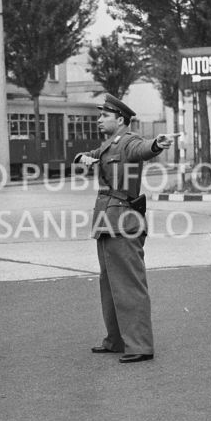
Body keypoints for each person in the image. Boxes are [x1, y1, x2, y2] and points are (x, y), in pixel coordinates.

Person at [73, 94, 178, 363]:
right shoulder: (108, 145)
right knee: (109, 285)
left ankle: (140, 345)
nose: (99, 120)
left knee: (129, 285)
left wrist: (156, 144)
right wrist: (83, 158)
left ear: (120, 120)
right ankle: (116, 340)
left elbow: (143, 149)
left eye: (104, 116)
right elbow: (84, 157)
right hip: (107, 223)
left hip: (123, 223)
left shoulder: (128, 141)